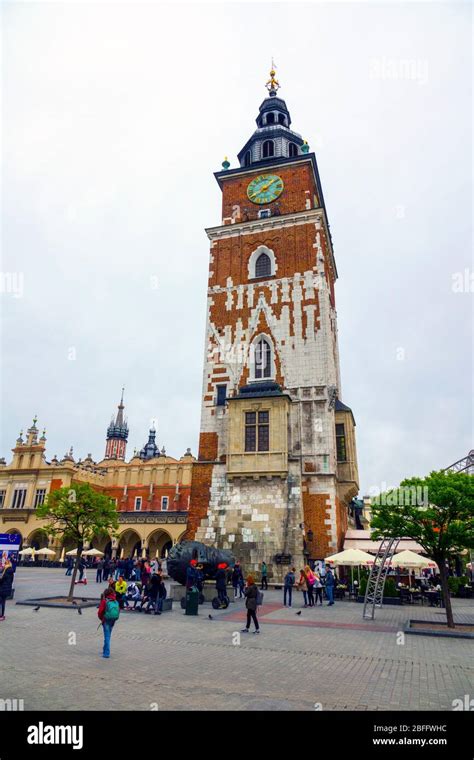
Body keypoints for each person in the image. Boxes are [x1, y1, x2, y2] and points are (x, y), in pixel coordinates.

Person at [98, 586, 120, 658]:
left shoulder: (105, 601)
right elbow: (118, 610)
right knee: (108, 635)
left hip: (106, 620)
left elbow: (100, 612)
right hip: (113, 620)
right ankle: (105, 649)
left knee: (107, 636)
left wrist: (102, 619)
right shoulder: (115, 601)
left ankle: (106, 653)